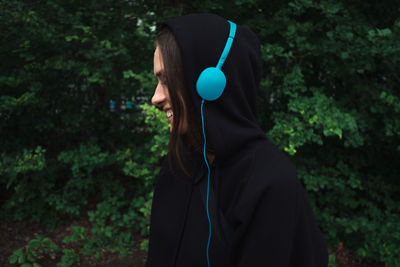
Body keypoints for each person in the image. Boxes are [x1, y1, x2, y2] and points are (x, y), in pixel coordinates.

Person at [146, 13, 328, 267]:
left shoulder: (269, 182)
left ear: (210, 84)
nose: (155, 98)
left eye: (168, 80)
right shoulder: (178, 165)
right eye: (158, 80)